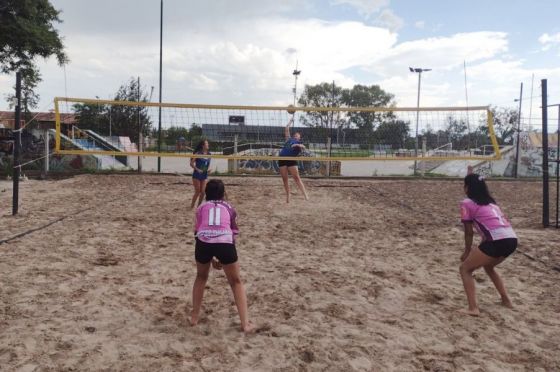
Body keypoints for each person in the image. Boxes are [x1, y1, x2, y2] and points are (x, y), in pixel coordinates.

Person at [190, 179, 254, 333]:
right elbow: (232, 233)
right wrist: (222, 258)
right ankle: (245, 324)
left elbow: (197, 232)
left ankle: (194, 317)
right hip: (224, 241)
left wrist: (211, 258)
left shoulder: (201, 208)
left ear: (206, 194)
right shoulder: (230, 208)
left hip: (203, 241)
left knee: (201, 277)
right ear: (223, 194)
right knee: (236, 282)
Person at [458, 168, 517, 316]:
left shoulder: (467, 203)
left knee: (465, 269)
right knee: (489, 267)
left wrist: (466, 251)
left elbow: (469, 231)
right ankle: (506, 300)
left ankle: (473, 309)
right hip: (511, 239)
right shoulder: (491, 203)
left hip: (496, 241)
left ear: (467, 188)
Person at [278, 117, 309, 203]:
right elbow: (287, 129)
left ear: (299, 138)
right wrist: (290, 121)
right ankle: (288, 195)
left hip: (291, 160)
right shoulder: (289, 139)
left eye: (297, 136)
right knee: (285, 179)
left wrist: (297, 145)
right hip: (282, 159)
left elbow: (304, 147)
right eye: (295, 135)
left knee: (297, 178)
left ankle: (305, 195)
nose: (295, 136)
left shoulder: (299, 144)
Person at [190, 139, 211, 209]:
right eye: (206, 144)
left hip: (204, 175)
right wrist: (197, 169)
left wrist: (207, 170)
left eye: (207, 144)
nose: (208, 145)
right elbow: (191, 163)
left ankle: (199, 206)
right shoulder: (198, 153)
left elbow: (207, 165)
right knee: (197, 191)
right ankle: (192, 206)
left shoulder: (209, 154)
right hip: (197, 174)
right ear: (203, 146)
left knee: (203, 192)